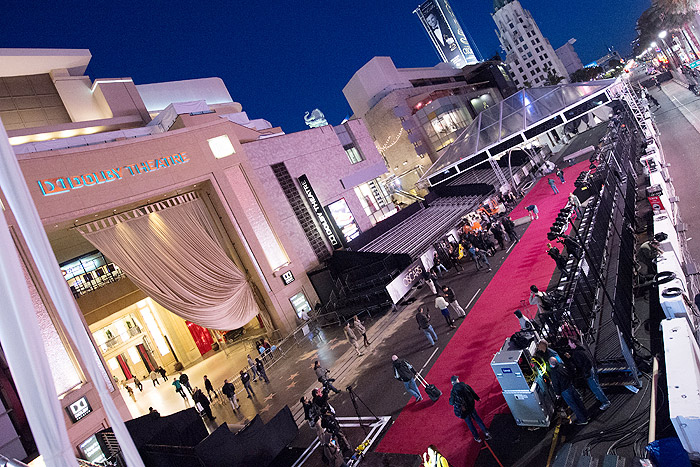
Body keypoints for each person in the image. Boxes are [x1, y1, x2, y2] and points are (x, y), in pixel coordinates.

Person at [449, 376, 491, 443]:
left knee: (470, 424)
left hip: (464, 410)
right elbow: (472, 392)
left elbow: (451, 402)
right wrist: (477, 398)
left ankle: (477, 437)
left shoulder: (453, 391)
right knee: (477, 419)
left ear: (452, 383)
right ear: (457, 380)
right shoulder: (465, 385)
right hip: (471, 406)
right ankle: (486, 432)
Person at [548, 357, 588, 425]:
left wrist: (558, 394)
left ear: (551, 364)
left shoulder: (554, 372)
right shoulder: (562, 366)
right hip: (571, 386)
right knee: (578, 401)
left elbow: (556, 384)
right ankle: (586, 415)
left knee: (573, 405)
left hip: (565, 391)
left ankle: (582, 420)